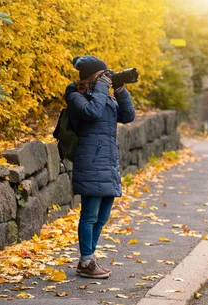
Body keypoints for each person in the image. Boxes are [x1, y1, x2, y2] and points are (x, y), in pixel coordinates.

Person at [65, 55, 136, 278]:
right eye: (102, 76)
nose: (106, 80)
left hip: (108, 163)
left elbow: (128, 116)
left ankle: (89, 258)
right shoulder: (76, 97)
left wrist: (121, 89)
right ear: (92, 78)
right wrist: (103, 87)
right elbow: (92, 112)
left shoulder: (103, 97)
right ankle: (86, 260)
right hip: (91, 163)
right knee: (89, 216)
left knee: (102, 217)